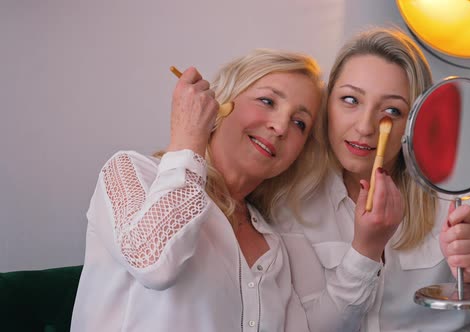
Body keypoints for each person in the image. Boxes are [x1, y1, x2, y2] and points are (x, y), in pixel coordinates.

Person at [275, 28, 470, 331]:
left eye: (392, 110)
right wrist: (365, 250)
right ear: (327, 104)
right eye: (350, 100)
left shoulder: (451, 186)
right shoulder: (291, 198)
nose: (366, 126)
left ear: (414, 121)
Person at [71, 48, 325, 331]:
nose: (280, 127)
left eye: (299, 123)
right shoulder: (130, 172)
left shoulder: (274, 245)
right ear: (219, 104)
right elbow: (154, 264)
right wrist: (189, 136)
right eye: (267, 101)